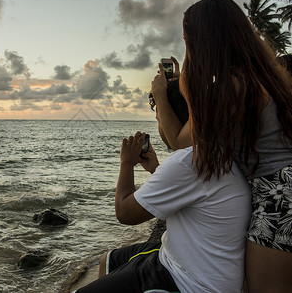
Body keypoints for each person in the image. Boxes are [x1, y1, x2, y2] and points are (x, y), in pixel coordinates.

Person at [151, 0, 292, 292]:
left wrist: (164, 96)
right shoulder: (257, 75)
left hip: (279, 197)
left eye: (189, 40)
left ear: (202, 41)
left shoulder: (232, 87)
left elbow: (180, 142)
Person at [74, 80, 251, 293]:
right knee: (109, 260)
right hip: (192, 264)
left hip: (188, 282)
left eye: (159, 118)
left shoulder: (188, 161)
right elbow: (192, 193)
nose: (158, 126)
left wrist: (126, 163)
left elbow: (124, 213)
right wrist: (155, 168)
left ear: (171, 119)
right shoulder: (217, 152)